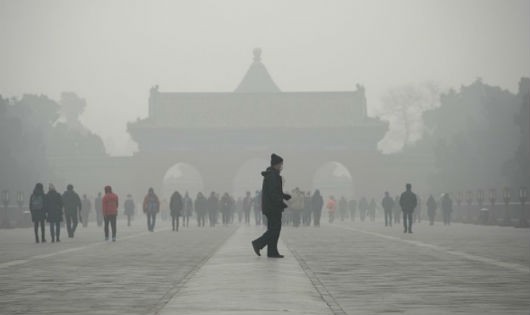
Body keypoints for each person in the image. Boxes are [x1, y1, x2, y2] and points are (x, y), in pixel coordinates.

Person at [252, 153, 291, 258]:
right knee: (275, 229)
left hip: (270, 207)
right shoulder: (273, 176)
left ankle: (272, 251)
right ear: (276, 164)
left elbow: (275, 191)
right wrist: (281, 202)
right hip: (273, 207)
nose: (281, 167)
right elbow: (273, 193)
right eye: (281, 164)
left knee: (273, 229)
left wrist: (283, 196)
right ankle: (258, 243)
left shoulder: (271, 175)